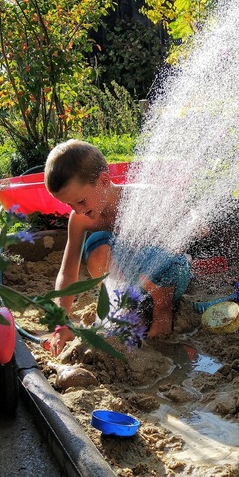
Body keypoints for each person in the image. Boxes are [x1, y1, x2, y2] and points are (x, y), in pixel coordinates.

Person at [42, 139, 188, 352]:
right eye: (69, 205)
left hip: (166, 277)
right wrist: (61, 322)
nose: (78, 210)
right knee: (96, 244)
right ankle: (122, 307)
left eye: (81, 202)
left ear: (103, 180)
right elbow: (68, 272)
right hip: (129, 283)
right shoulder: (80, 219)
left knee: (151, 255)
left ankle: (162, 313)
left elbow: (183, 227)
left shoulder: (142, 198)